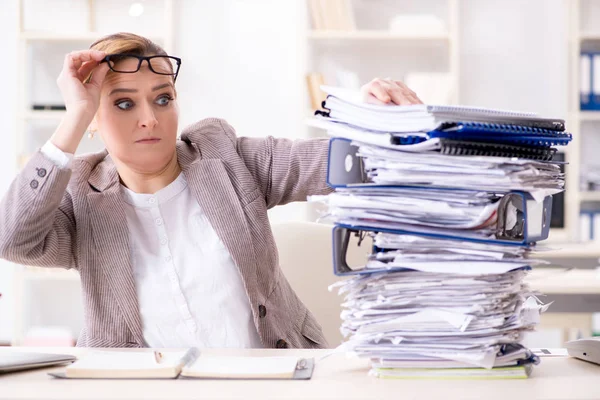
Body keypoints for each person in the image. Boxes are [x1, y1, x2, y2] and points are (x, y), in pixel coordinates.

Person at [0, 32, 422, 349]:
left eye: (163, 99)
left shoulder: (224, 156)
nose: (149, 118)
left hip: (271, 383)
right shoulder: (80, 195)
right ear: (93, 117)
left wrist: (373, 123)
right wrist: (74, 116)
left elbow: (333, 163)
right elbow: (12, 239)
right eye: (124, 103)